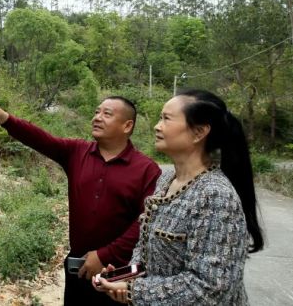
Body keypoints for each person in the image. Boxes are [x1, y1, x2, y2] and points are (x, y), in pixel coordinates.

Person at [0, 94, 161, 305]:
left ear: (127, 125)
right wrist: (5, 119)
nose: (97, 117)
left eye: (107, 114)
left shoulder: (147, 170)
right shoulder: (77, 152)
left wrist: (104, 255)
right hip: (78, 270)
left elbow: (146, 222)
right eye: (96, 112)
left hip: (120, 275)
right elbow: (42, 140)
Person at [93, 89, 264, 305]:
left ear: (199, 132)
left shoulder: (215, 195)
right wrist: (129, 274)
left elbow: (210, 288)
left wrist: (135, 291)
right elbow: (147, 248)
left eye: (166, 118)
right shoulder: (166, 181)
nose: (157, 126)